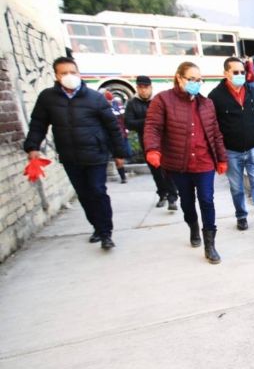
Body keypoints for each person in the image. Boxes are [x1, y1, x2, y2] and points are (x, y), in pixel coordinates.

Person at [23, 57, 127, 249]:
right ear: (56, 76)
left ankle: (106, 233)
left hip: (95, 154)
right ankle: (97, 227)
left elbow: (112, 127)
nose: (69, 76)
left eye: (73, 72)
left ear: (79, 73)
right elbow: (38, 124)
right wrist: (33, 146)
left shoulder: (95, 98)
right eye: (64, 73)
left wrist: (119, 153)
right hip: (70, 156)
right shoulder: (48, 98)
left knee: (97, 191)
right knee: (84, 194)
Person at [144, 62, 228, 264]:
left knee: (207, 200)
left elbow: (215, 133)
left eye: (199, 80)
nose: (196, 83)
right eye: (192, 79)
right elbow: (153, 127)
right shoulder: (163, 100)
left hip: (204, 161)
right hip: (178, 163)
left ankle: (210, 245)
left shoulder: (206, 104)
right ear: (179, 78)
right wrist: (152, 149)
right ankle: (192, 226)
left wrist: (222, 158)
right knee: (187, 202)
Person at [209, 57, 254, 237]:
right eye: (236, 72)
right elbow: (213, 128)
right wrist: (219, 155)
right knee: (237, 187)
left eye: (242, 72)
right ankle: (241, 215)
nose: (240, 75)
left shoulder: (253, 93)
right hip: (231, 152)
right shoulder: (215, 97)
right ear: (226, 73)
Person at [125, 75, 178, 210]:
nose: (143, 90)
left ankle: (172, 197)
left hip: (164, 142)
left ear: (150, 87)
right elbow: (129, 123)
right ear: (137, 88)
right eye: (140, 88)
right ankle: (162, 194)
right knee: (155, 171)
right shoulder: (132, 104)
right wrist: (149, 121)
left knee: (167, 170)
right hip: (147, 143)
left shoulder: (159, 100)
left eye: (146, 87)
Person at [103, 91, 129, 183]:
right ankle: (122, 175)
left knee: (119, 158)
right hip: (108, 136)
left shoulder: (117, 106)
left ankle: (123, 177)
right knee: (115, 158)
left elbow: (123, 120)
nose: (109, 102)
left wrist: (125, 132)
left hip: (118, 135)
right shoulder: (101, 107)